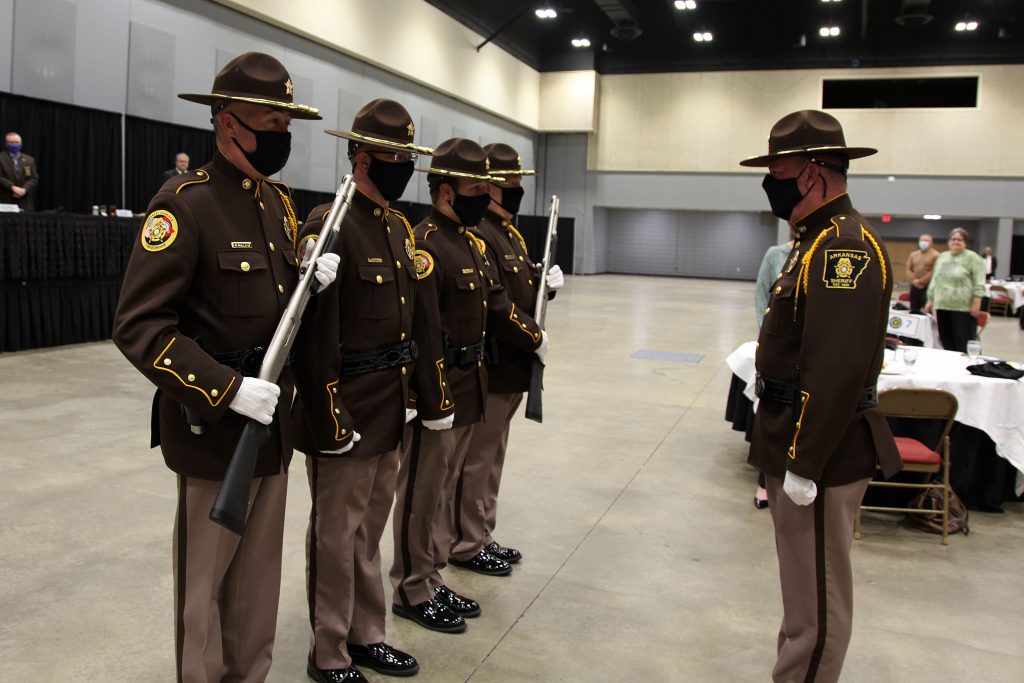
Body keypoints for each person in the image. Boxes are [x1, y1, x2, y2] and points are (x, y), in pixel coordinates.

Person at [112, 52, 337, 683]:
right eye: (270, 121)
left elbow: (277, 313)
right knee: (204, 597)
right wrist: (226, 390)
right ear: (227, 123)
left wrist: (309, 283)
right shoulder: (185, 205)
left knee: (258, 588)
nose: (280, 137)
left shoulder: (280, 205)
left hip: (273, 432)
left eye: (287, 125)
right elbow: (139, 326)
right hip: (216, 435)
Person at [739, 110, 901, 683]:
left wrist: (804, 461)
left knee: (819, 602)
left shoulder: (842, 250)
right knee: (802, 596)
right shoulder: (813, 244)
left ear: (810, 174)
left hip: (823, 453)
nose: (770, 183)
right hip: (795, 443)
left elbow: (834, 369)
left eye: (777, 170)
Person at [291, 98, 431, 682]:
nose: (403, 166)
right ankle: (329, 651)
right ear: (362, 157)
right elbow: (314, 339)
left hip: (389, 406)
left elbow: (408, 318)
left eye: (408, 156)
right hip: (344, 407)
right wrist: (328, 415)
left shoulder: (397, 227)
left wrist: (416, 395)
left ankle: (367, 633)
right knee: (334, 535)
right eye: (394, 157)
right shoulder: (332, 224)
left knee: (370, 531)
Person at [389, 138, 546, 634]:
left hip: (469, 384)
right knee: (421, 493)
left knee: (442, 491)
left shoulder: (470, 241)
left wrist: (536, 333)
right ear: (445, 190)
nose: (485, 195)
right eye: (475, 187)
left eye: (487, 187)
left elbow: (495, 305)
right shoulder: (427, 242)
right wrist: (428, 398)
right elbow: (422, 331)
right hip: (441, 391)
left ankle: (431, 575)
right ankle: (411, 586)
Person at [449, 143, 564, 575]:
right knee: (477, 461)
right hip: (494, 366)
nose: (517, 188)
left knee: (493, 456)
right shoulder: (481, 233)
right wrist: (534, 336)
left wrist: (544, 285)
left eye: (519, 181)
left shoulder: (509, 233)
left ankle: (482, 532)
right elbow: (496, 306)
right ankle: (466, 541)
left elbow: (521, 292)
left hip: (513, 367)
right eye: (510, 181)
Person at [750, 239, 794, 509]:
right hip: (778, 346)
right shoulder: (776, 254)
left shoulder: (824, 251)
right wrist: (764, 334)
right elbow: (761, 295)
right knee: (772, 415)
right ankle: (764, 483)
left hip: (811, 349)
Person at [924, 227, 986, 352]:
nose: (956, 242)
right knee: (946, 340)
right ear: (949, 241)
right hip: (942, 305)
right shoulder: (942, 257)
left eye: (960, 239)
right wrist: (930, 299)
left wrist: (977, 301)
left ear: (965, 242)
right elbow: (935, 279)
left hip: (963, 307)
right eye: (953, 239)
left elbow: (979, 281)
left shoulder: (972, 258)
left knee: (962, 341)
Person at [0, 131, 38, 211]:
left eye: (17, 142)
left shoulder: (29, 160)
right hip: (5, 200)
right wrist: (12, 187)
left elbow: (34, 178)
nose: (14, 144)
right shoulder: (1, 158)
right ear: (6, 144)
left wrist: (24, 189)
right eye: (11, 142)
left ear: (21, 144)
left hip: (24, 202)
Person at [905, 234, 939, 314]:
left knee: (927, 312)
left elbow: (934, 271)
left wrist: (920, 281)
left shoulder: (936, 255)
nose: (924, 242)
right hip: (914, 287)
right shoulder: (913, 254)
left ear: (932, 243)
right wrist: (914, 280)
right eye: (922, 240)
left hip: (927, 288)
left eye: (926, 240)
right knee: (913, 311)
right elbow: (908, 269)